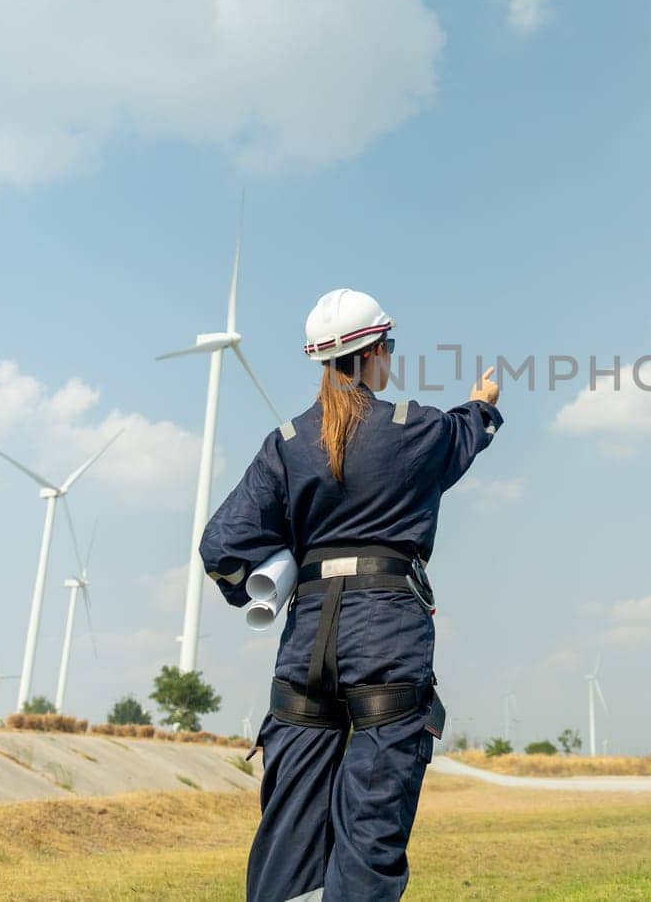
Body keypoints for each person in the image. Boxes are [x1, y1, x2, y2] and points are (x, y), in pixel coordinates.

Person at [199, 288, 503, 901]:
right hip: (386, 645)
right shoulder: (412, 430)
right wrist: (484, 405)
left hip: (305, 649)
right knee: (369, 837)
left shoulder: (285, 443)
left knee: (286, 843)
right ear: (376, 353)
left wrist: (276, 575)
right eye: (388, 347)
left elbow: (222, 548)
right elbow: (465, 434)